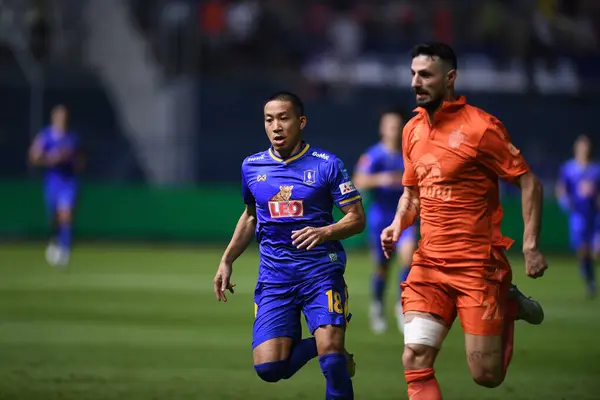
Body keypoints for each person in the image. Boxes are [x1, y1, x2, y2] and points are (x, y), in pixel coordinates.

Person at [380, 43, 547, 399]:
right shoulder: (412, 130)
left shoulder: (481, 128)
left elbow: (529, 181)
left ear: (450, 78)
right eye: (413, 74)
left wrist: (531, 245)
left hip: (477, 267)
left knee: (486, 375)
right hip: (429, 265)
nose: (416, 82)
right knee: (415, 357)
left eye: (425, 74)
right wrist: (398, 224)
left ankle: (508, 304)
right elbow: (412, 193)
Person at [213, 91, 365, 399]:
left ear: (301, 122)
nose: (276, 126)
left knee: (332, 360)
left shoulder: (327, 165)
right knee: (270, 369)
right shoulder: (252, 167)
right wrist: (227, 260)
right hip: (275, 277)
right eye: (269, 120)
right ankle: (328, 346)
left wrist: (325, 232)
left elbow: (357, 218)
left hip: (321, 272)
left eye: (284, 118)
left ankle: (333, 348)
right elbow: (250, 217)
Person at [353, 108, 417, 334]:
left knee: (408, 259)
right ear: (382, 128)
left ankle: (402, 306)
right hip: (380, 218)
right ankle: (378, 305)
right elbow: (358, 180)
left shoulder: (409, 154)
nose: (394, 129)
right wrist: (381, 179)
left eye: (397, 125)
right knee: (382, 267)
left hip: (405, 217)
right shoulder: (374, 155)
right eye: (390, 125)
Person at [28, 104, 83, 268]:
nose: (62, 119)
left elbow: (74, 156)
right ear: (54, 117)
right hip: (52, 182)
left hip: (68, 181)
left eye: (64, 116)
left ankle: (65, 250)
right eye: (59, 116)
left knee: (65, 214)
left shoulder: (71, 137)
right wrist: (47, 158)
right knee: (54, 217)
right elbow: (33, 156)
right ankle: (55, 241)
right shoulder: (45, 135)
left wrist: (62, 158)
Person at [556, 134, 600, 298]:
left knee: (596, 251)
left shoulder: (596, 170)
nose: (584, 149)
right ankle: (589, 280)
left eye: (586, 146)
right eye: (581, 146)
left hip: (595, 217)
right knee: (583, 250)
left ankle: (589, 274)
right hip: (578, 217)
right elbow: (562, 189)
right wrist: (565, 202)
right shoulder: (568, 168)